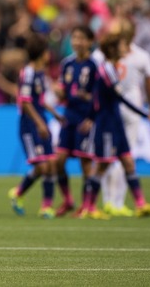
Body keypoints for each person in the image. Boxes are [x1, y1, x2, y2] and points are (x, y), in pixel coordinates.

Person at [78, 34, 150, 219]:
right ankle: (89, 206)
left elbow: (99, 99)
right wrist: (144, 113)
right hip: (107, 123)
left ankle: (141, 204)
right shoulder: (106, 69)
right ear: (113, 49)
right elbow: (118, 98)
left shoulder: (112, 69)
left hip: (115, 122)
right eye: (123, 46)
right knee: (102, 165)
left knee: (128, 161)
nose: (127, 49)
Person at [100, 21, 150, 217]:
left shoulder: (103, 55)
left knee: (108, 157)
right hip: (131, 108)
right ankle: (117, 202)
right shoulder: (142, 56)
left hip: (109, 110)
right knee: (125, 156)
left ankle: (108, 201)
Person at [8, 34, 64, 219]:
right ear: (42, 54)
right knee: (43, 166)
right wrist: (40, 122)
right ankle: (18, 193)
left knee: (50, 164)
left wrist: (55, 114)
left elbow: (39, 100)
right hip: (29, 125)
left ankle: (46, 206)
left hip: (41, 121)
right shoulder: (28, 73)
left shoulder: (40, 74)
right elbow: (25, 101)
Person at [52, 26, 98, 217]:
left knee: (85, 163)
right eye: (74, 37)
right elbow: (64, 90)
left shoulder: (95, 65)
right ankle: (68, 200)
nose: (76, 42)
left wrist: (91, 118)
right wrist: (58, 92)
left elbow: (99, 96)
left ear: (90, 41)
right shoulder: (67, 64)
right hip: (69, 116)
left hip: (85, 118)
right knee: (59, 161)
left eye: (81, 38)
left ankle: (87, 205)